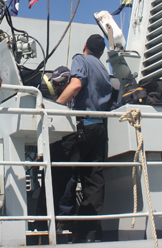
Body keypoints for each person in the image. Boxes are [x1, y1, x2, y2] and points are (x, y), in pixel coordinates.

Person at [54, 34, 112, 243]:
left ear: (85, 46)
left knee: (59, 171)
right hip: (99, 129)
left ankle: (51, 224)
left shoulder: (81, 59)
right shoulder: (105, 70)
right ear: (101, 52)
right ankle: (89, 233)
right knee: (93, 180)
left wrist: (56, 107)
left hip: (82, 127)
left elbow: (77, 84)